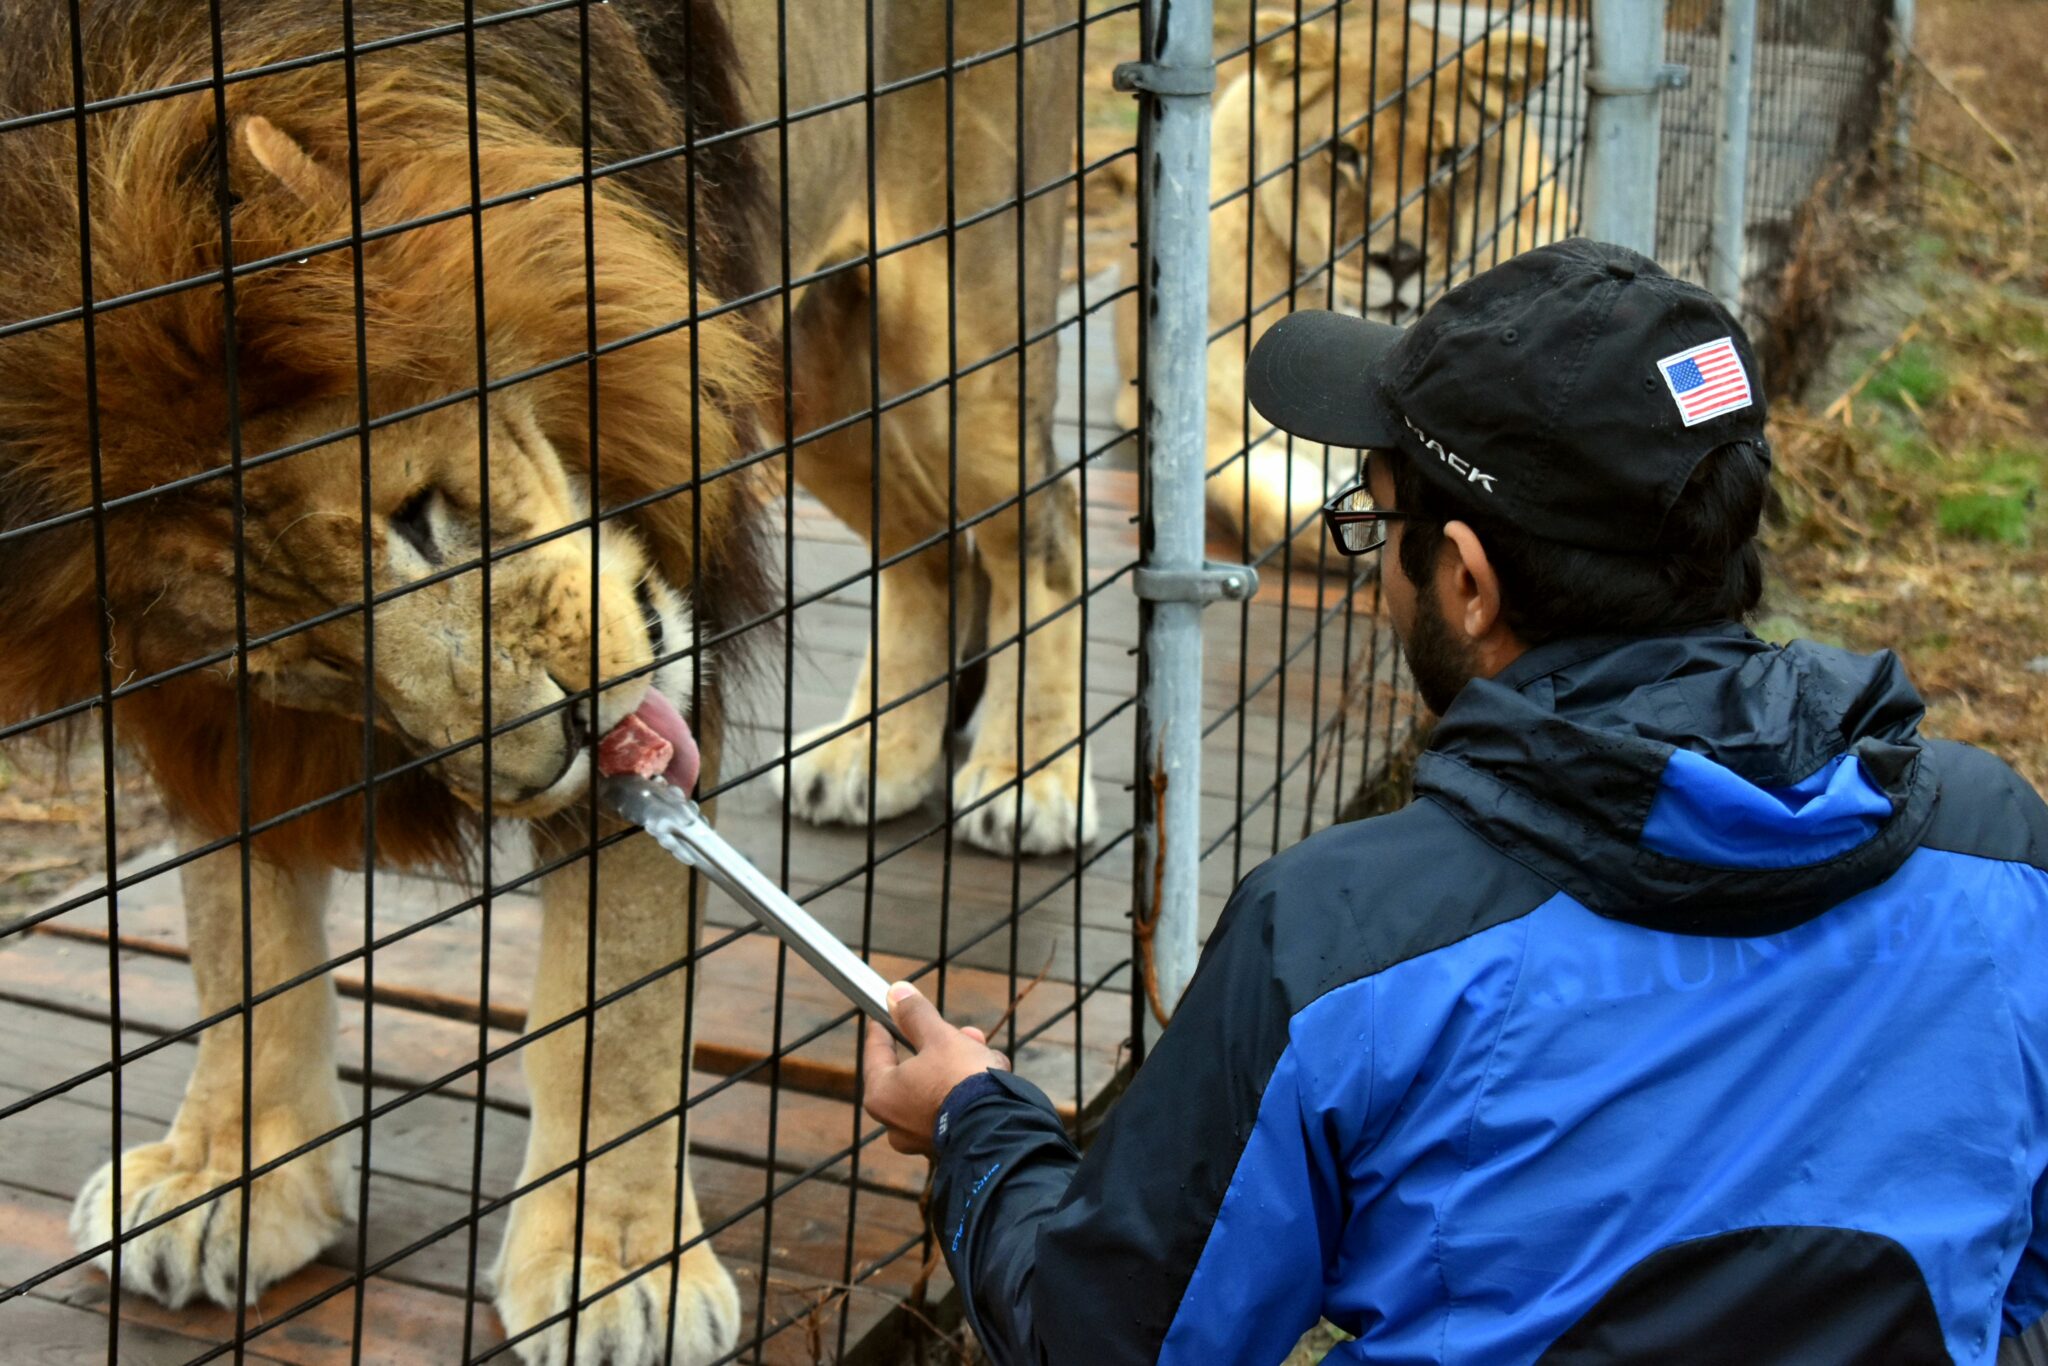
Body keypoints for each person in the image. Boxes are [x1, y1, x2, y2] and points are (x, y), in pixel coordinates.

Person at [860, 238, 2048, 1364]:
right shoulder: (1997, 846)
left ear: (1468, 583)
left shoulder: (1335, 942)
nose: (1376, 567)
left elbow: (1110, 1336)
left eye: (1377, 522)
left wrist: (975, 1127)